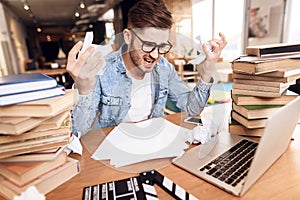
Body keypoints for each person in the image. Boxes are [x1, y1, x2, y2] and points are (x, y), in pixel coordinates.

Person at [66, 0, 227, 137]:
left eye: (162, 46)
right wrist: (84, 90)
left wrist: (206, 70)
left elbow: (192, 109)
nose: (156, 55)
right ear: (128, 37)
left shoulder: (164, 68)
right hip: (111, 155)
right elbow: (78, 130)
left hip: (152, 146)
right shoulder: (102, 69)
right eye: (148, 45)